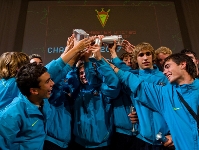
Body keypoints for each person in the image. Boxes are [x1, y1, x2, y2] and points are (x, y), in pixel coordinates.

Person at [112, 53, 199, 150]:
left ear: (183, 64)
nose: (164, 72)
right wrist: (109, 64)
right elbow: (137, 84)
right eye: (164, 69)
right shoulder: (165, 94)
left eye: (167, 66)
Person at [109, 41, 172, 150]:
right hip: (142, 139)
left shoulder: (165, 78)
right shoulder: (134, 77)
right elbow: (123, 70)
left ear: (153, 57)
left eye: (148, 54)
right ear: (135, 59)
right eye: (141, 55)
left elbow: (173, 107)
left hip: (165, 139)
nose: (145, 58)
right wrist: (113, 53)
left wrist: (173, 133)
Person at [68, 39, 120, 149]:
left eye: (85, 72)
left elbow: (114, 84)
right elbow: (70, 78)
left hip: (102, 144)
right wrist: (74, 56)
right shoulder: (76, 91)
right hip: (79, 144)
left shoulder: (103, 89)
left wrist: (92, 60)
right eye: (81, 73)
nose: (83, 75)